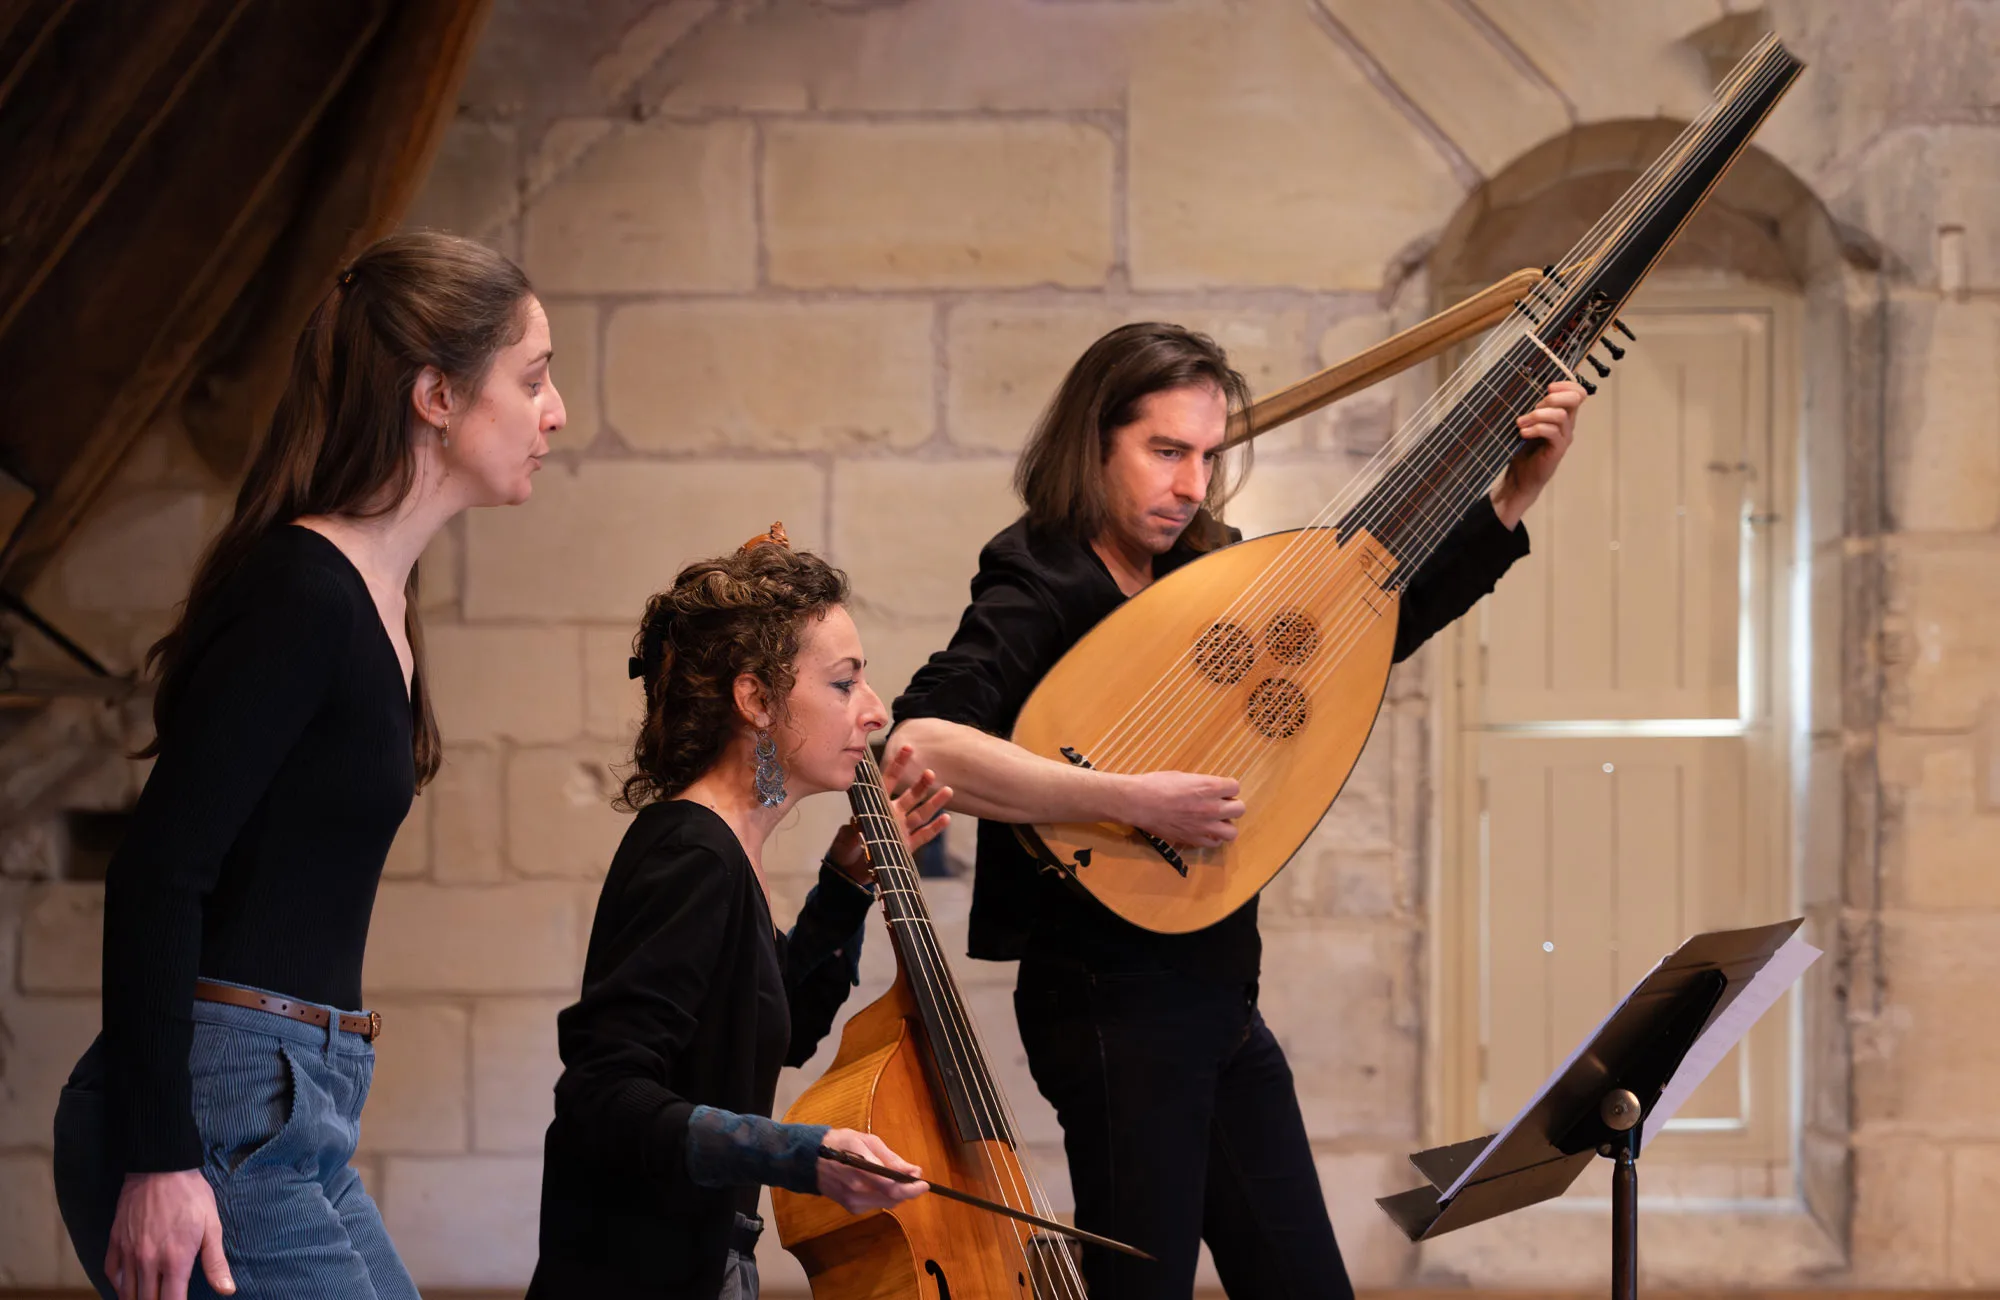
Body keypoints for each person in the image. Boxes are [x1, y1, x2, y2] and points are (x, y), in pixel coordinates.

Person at [890, 323, 1584, 1298]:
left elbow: (1354, 639)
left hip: (1215, 989)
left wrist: (1511, 496)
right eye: (1164, 451)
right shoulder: (1036, 576)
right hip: (1105, 999)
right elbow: (921, 745)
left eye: (1206, 458)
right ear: (1094, 444)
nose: (1189, 485)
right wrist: (1129, 798)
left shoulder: (1203, 569)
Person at [52, 232, 565, 1300]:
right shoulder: (302, 590)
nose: (553, 411)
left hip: (301, 1096)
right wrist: (159, 1154)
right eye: (532, 377)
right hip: (218, 1100)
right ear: (435, 393)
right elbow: (159, 868)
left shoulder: (380, 602)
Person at [529, 527, 948, 1300]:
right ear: (755, 699)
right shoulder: (692, 855)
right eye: (844, 683)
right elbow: (603, 1093)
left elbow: (771, 1030)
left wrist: (844, 889)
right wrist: (798, 1153)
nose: (875, 710)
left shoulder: (724, 850)